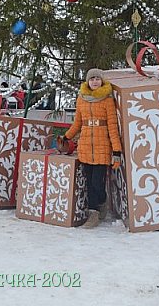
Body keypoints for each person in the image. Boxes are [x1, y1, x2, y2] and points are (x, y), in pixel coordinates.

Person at [64, 68, 122, 228]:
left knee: (97, 182)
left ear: (102, 81)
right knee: (89, 182)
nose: (95, 81)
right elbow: (77, 123)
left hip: (102, 146)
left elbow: (112, 126)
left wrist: (116, 150)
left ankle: (102, 201)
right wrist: (66, 136)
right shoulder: (81, 99)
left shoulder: (108, 100)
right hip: (85, 146)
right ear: (87, 81)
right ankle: (93, 214)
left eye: (97, 78)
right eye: (92, 79)